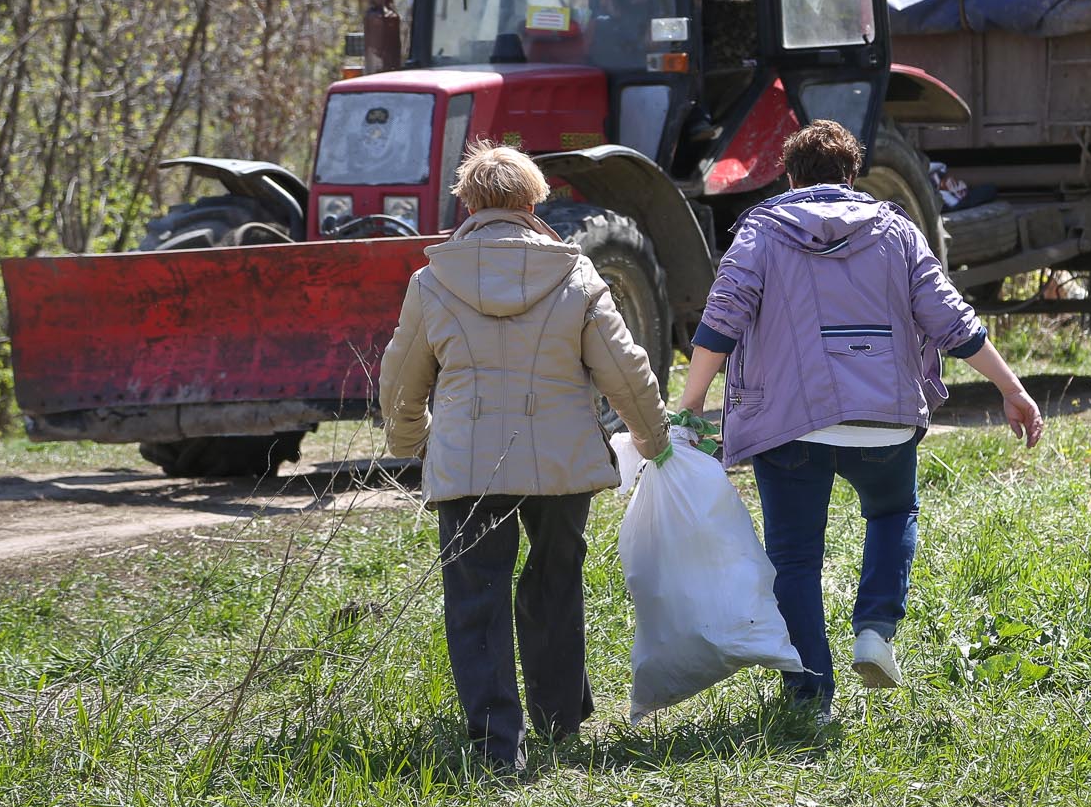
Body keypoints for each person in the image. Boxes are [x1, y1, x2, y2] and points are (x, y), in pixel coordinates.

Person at [675, 120, 1045, 716]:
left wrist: (692, 402)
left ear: (789, 178)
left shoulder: (761, 234)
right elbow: (952, 318)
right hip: (885, 419)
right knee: (893, 510)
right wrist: (1012, 388)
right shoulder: (898, 233)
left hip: (790, 425)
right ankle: (875, 627)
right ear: (852, 176)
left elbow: (723, 319)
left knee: (795, 557)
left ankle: (810, 695)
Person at [380, 142, 670, 774]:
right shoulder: (577, 276)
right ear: (536, 201)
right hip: (561, 460)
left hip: (469, 466)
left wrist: (409, 442)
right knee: (555, 580)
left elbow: (400, 379)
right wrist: (653, 436)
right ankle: (560, 720)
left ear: (467, 202)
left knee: (476, 596)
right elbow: (625, 367)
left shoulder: (432, 282)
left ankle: (495, 744)